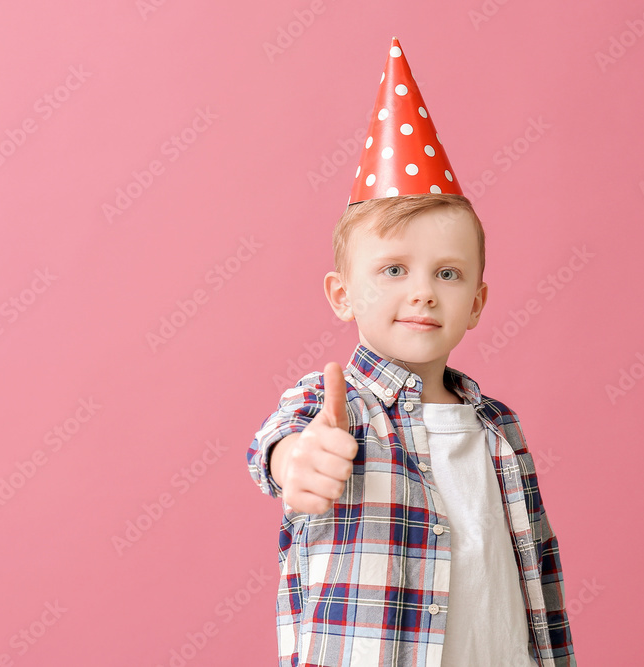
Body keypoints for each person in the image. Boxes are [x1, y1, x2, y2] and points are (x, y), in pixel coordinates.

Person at [246, 37, 576, 666]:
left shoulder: (499, 426)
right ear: (342, 295)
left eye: (448, 274)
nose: (423, 292)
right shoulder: (335, 406)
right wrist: (298, 462)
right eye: (394, 269)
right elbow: (278, 446)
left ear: (476, 303)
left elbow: (537, 573)